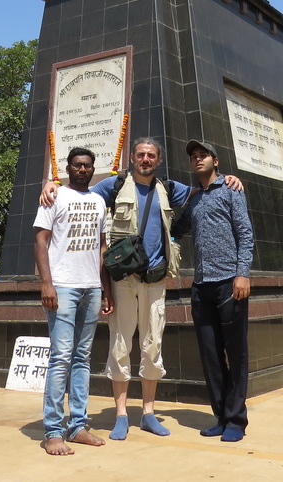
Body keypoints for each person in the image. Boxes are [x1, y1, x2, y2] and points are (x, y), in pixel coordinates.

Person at [40, 137, 243, 441]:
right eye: (140, 155)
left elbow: (203, 189)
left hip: (156, 280)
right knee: (120, 346)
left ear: (158, 161)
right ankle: (121, 414)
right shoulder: (113, 186)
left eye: (151, 155)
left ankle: (148, 413)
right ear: (132, 158)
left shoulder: (170, 188)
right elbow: (79, 194)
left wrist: (231, 178)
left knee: (152, 346)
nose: (145, 159)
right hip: (123, 280)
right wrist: (50, 184)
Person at [171, 139, 254, 443]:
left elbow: (245, 234)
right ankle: (220, 416)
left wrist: (242, 274)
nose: (197, 159)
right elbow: (176, 229)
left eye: (203, 155)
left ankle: (236, 419)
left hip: (229, 284)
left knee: (236, 353)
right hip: (201, 286)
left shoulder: (231, 190)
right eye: (193, 156)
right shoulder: (193, 198)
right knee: (210, 355)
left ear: (215, 161)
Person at [34, 147, 113, 456]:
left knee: (82, 359)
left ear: (93, 170)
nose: (82, 169)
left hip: (91, 287)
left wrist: (106, 289)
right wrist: (46, 283)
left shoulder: (98, 201)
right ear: (68, 168)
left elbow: (102, 248)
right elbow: (40, 239)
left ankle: (77, 425)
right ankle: (53, 431)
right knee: (61, 357)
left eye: (87, 165)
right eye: (77, 165)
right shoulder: (54, 196)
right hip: (63, 287)